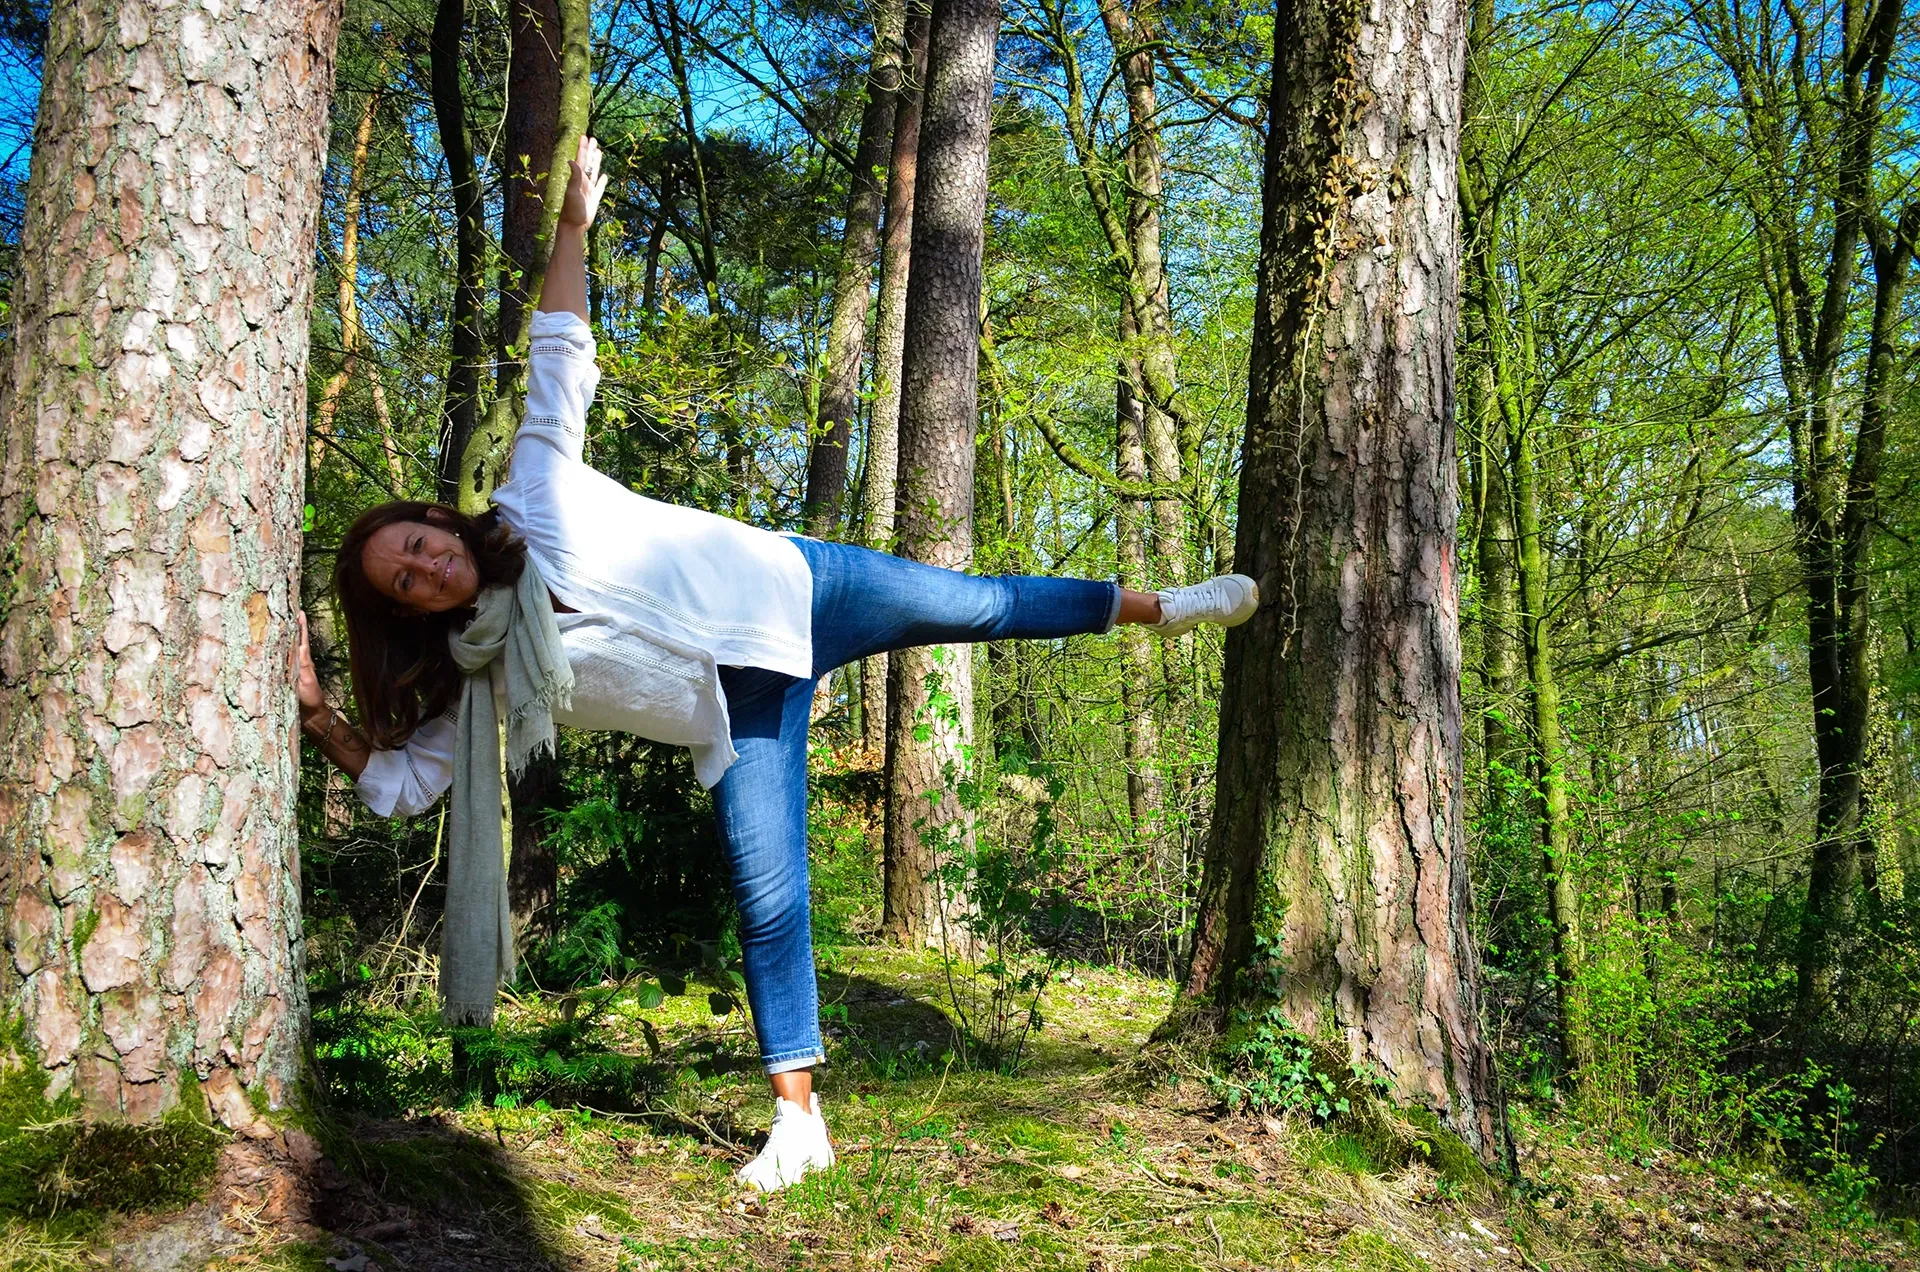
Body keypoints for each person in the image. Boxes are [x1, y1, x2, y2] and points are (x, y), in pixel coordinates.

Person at [295, 135, 1258, 1193]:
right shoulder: (475, 674)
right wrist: (314, 712)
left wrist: (572, 225)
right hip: (740, 710)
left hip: (798, 588)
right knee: (769, 896)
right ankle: (799, 1123)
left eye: (419, 544)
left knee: (979, 605)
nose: (425, 569)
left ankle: (1166, 607)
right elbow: (404, 788)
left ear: (441, 522)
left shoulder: (532, 497)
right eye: (402, 582)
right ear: (403, 611)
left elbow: (562, 352)